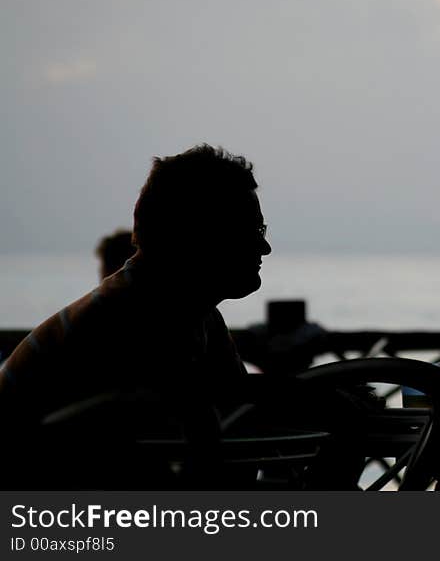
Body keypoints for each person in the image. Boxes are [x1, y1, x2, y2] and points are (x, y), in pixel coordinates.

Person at [0, 145, 272, 486]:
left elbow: (232, 398)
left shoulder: (187, 311)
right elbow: (195, 416)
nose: (264, 248)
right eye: (250, 232)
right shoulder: (128, 321)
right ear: (198, 235)